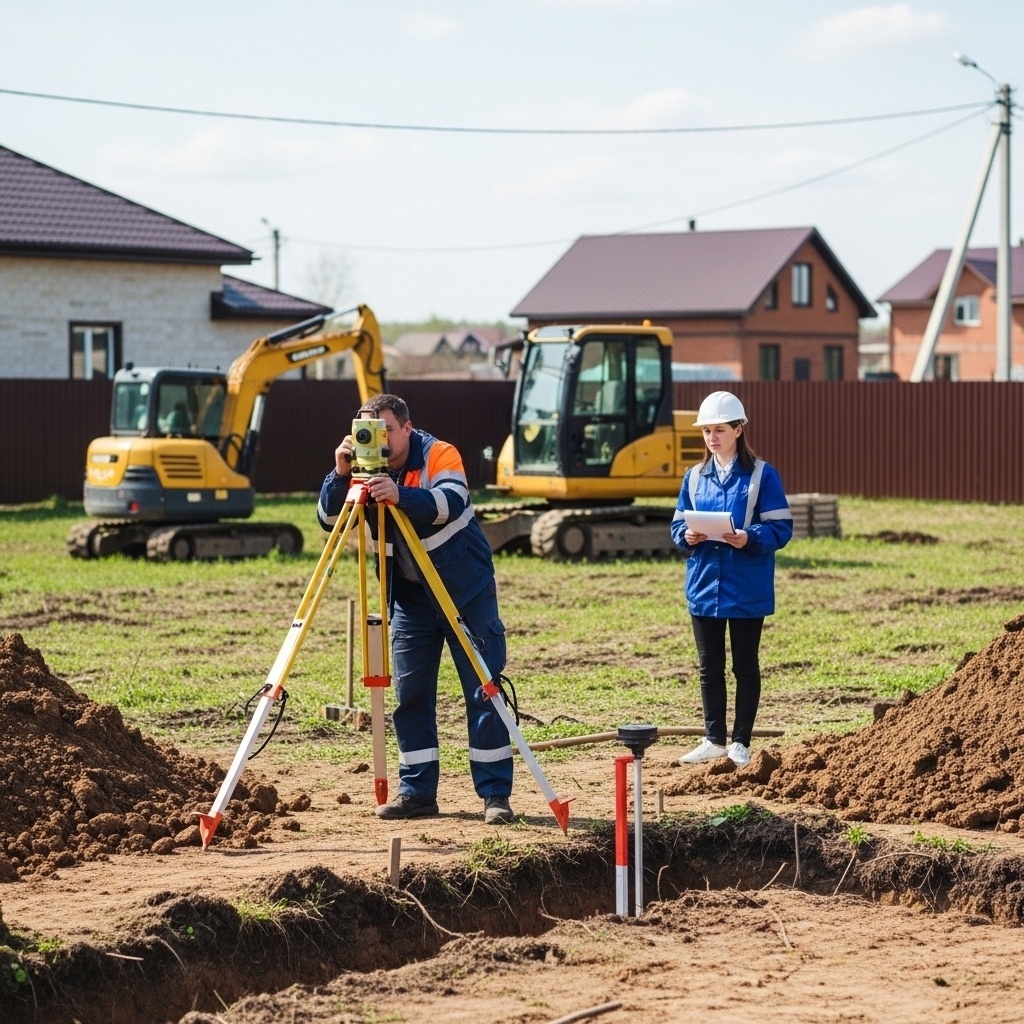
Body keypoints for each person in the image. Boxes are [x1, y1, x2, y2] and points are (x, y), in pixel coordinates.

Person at [316, 394, 515, 824]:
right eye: (371, 432)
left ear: (407, 427)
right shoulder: (364, 467)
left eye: (388, 431)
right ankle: (417, 792)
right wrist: (341, 473)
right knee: (410, 698)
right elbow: (330, 521)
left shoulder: (439, 454)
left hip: (465, 593)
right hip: (410, 599)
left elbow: (450, 503)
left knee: (485, 690)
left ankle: (495, 795)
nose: (381, 441)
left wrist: (401, 494)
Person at [670, 391, 793, 768]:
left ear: (739, 429)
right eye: (707, 431)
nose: (712, 438)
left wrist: (750, 537)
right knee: (709, 668)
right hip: (705, 586)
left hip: (745, 587)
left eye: (719, 430)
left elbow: (781, 528)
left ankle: (740, 742)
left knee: (745, 666)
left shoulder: (761, 475)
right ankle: (713, 740)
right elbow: (677, 524)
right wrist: (685, 537)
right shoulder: (693, 477)